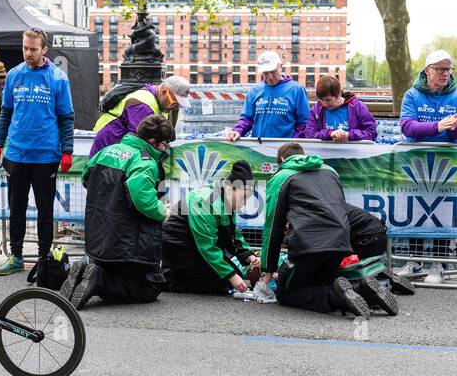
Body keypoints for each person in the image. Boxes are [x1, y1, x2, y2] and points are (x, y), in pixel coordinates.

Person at [260, 142, 396, 316]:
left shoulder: (282, 176)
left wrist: (268, 269)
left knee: (286, 294)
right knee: (319, 283)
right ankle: (363, 292)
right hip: (340, 241)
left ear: (282, 159)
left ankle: (338, 299)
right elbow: (340, 208)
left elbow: (273, 226)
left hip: (307, 245)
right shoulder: (330, 171)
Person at [0, 28, 75, 281]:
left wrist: (67, 151)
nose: (28, 53)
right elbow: (5, 113)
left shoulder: (58, 78)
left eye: (33, 49)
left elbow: (66, 117)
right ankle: (15, 256)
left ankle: (43, 257)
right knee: (16, 207)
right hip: (16, 153)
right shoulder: (15, 75)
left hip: (46, 155)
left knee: (44, 211)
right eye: (25, 48)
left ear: (44, 49)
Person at [67, 114, 174, 309]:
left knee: (116, 270)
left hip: (97, 236)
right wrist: (162, 212)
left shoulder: (108, 150)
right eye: (165, 145)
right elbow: (142, 199)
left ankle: (86, 272)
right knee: (151, 286)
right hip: (126, 239)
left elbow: (85, 177)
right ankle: (100, 281)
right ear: (152, 141)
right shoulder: (145, 161)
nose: (165, 149)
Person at [399, 49, 457, 283]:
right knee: (416, 209)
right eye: (439, 69)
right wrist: (438, 126)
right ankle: (414, 259)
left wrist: (454, 128)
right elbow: (408, 127)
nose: (445, 74)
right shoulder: (412, 95)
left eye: (448, 69)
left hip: (447, 163)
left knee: (443, 211)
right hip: (417, 162)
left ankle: (439, 264)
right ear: (427, 71)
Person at [162, 158, 259, 294]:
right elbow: (206, 246)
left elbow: (234, 235)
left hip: (196, 247)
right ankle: (169, 277)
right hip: (179, 248)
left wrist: (249, 256)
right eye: (243, 197)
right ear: (230, 188)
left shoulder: (227, 202)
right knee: (222, 283)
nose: (244, 203)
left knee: (232, 277)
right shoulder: (205, 200)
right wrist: (231, 276)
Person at [90, 75, 191, 156]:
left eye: (179, 105)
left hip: (118, 152)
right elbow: (141, 142)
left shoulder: (160, 103)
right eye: (174, 103)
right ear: (164, 92)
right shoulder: (143, 105)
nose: (175, 108)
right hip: (109, 153)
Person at [226, 51, 309, 141]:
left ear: (280, 66)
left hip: (287, 149)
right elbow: (247, 119)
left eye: (273, 72)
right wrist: (238, 131)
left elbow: (303, 123)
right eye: (265, 73)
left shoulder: (296, 90)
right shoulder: (254, 91)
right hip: (259, 147)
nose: (270, 77)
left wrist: (293, 143)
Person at [302, 74, 377, 142]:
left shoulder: (358, 107)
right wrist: (329, 134)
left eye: (328, 100)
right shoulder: (316, 110)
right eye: (321, 100)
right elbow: (309, 134)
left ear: (338, 94)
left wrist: (349, 135)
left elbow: (371, 133)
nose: (324, 104)